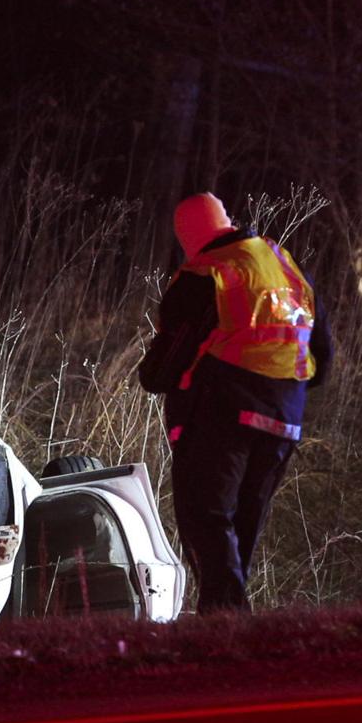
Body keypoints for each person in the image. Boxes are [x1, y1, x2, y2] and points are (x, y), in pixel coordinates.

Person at [138, 192, 332, 613]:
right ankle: (228, 625)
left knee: (204, 516)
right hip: (284, 418)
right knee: (241, 525)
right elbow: (323, 355)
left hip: (221, 415)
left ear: (188, 236)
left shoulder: (205, 273)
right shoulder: (282, 264)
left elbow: (165, 367)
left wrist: (151, 376)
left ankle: (222, 622)